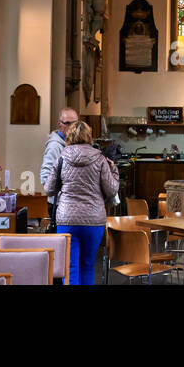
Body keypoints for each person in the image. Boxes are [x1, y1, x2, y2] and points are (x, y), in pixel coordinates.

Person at [44, 121, 118, 284]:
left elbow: (49, 189)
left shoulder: (61, 158)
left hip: (67, 219)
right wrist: (114, 170)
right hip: (93, 220)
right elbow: (112, 190)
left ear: (69, 137)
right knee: (87, 265)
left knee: (69, 268)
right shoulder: (100, 159)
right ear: (89, 137)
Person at [41, 107, 78, 226]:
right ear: (60, 124)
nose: (72, 127)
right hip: (59, 204)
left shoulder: (74, 143)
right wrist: (65, 191)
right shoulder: (54, 146)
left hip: (72, 203)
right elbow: (45, 178)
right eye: (68, 123)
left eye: (75, 123)